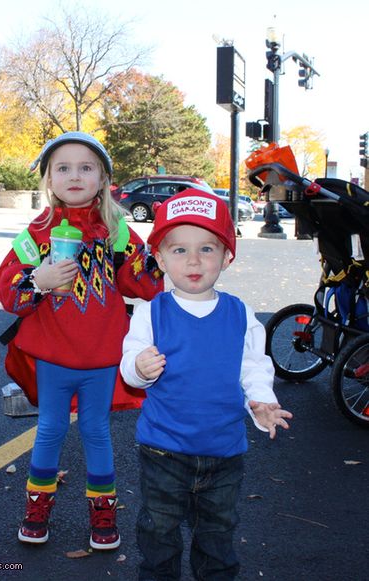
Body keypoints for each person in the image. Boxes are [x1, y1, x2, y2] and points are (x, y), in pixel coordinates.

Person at [0, 132, 163, 548]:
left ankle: (103, 516)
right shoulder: (37, 233)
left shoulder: (116, 232)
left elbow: (144, 284)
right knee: (49, 429)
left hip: (101, 356)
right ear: (49, 179)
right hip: (53, 355)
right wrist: (38, 280)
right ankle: (37, 509)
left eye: (86, 167)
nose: (75, 175)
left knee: (97, 432)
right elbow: (1, 286)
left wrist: (162, 251)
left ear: (103, 178)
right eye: (63, 168)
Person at [120, 188, 292, 580]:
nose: (193, 260)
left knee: (217, 537)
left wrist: (261, 401)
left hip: (224, 452)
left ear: (228, 256)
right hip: (164, 450)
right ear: (160, 259)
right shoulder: (151, 313)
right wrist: (139, 368)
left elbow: (253, 366)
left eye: (207, 248)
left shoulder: (239, 313)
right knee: (159, 534)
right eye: (178, 250)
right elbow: (129, 364)